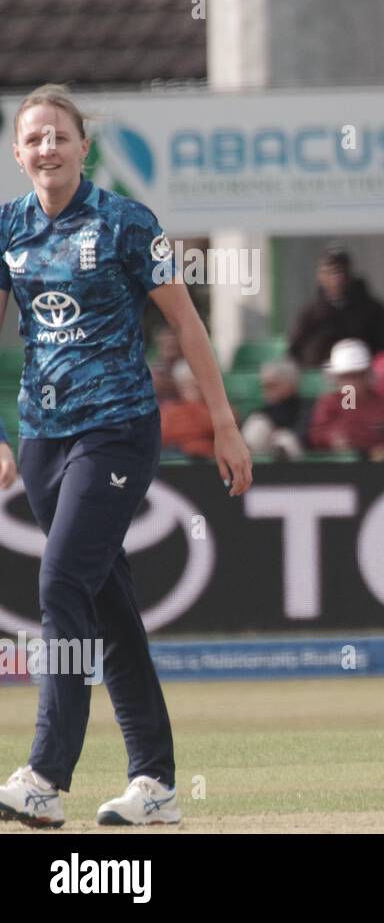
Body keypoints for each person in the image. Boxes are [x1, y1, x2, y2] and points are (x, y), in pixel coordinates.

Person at [0, 84, 252, 829]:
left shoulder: (125, 222)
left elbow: (187, 322)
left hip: (117, 431)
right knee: (110, 609)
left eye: (60, 135)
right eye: (34, 137)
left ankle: (45, 775)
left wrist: (225, 424)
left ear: (84, 147)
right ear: (19, 154)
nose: (48, 147)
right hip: (43, 439)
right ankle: (156, 785)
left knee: (59, 585)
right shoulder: (8, 227)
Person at [288, 245, 384, 368]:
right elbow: (294, 351)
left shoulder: (373, 309)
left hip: (361, 375)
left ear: (350, 273)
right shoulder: (310, 312)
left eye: (340, 270)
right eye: (329, 271)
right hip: (320, 377)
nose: (336, 277)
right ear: (320, 276)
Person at [306, 339, 384, 459]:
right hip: (339, 465)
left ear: (367, 375)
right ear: (336, 378)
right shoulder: (329, 403)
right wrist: (332, 438)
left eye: (356, 376)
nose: (350, 382)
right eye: (345, 377)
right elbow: (316, 434)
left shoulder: (382, 403)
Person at [241, 359, 309, 461]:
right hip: (264, 450)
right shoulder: (263, 411)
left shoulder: (303, 408)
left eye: (272, 385)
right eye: (265, 386)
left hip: (297, 456)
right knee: (257, 425)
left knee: (284, 439)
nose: (266, 390)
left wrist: (279, 433)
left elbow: (303, 434)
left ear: (290, 384)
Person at [159, 361, 215, 458]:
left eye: (195, 385)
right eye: (185, 385)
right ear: (178, 387)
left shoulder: (216, 409)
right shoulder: (169, 410)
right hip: (175, 459)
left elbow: (218, 427)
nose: (190, 389)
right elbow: (163, 435)